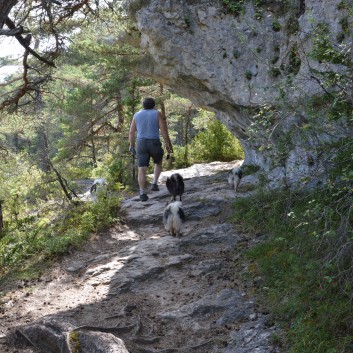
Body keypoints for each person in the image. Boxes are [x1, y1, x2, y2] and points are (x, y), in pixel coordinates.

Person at [129, 97, 173, 201]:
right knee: (158, 162)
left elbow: (131, 132)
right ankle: (154, 184)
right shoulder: (157, 113)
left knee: (142, 169)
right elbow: (163, 130)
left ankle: (142, 193)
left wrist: (131, 145)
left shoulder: (136, 115)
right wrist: (168, 145)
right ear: (153, 105)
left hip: (141, 143)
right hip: (154, 142)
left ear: (143, 105)